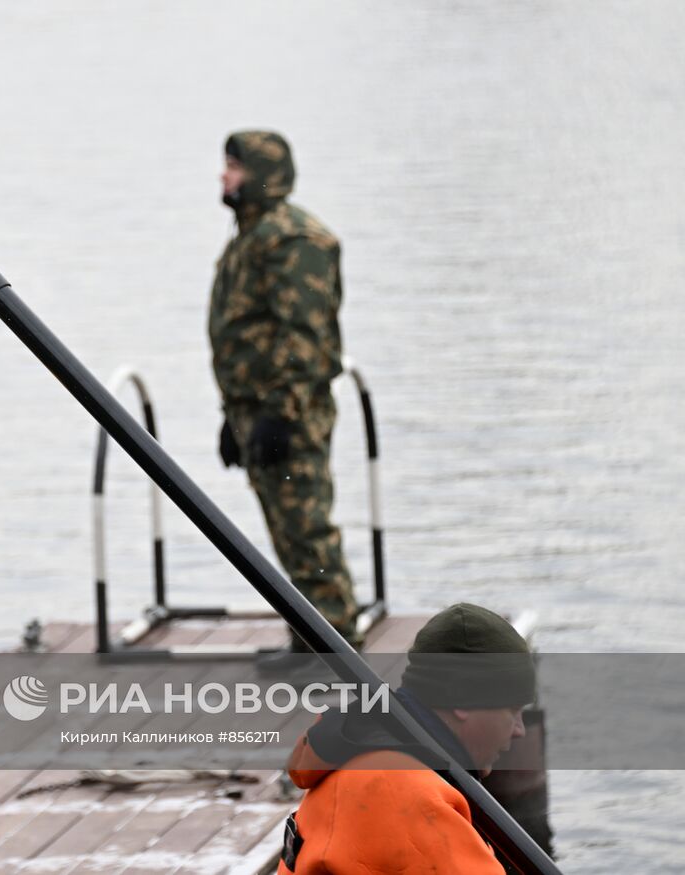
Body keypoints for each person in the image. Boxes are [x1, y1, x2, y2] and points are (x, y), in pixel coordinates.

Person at [207, 130, 359, 657]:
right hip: (257, 410)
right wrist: (235, 415)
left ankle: (337, 643)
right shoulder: (253, 237)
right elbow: (247, 329)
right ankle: (308, 637)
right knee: (285, 530)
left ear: (263, 174)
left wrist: (281, 412)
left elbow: (305, 335)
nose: (224, 176)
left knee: (307, 528)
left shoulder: (295, 240)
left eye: (235, 167)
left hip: (288, 414)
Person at [277, 603, 537, 873]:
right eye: (513, 710)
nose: (519, 729)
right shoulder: (406, 792)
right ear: (464, 700)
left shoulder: (362, 748)